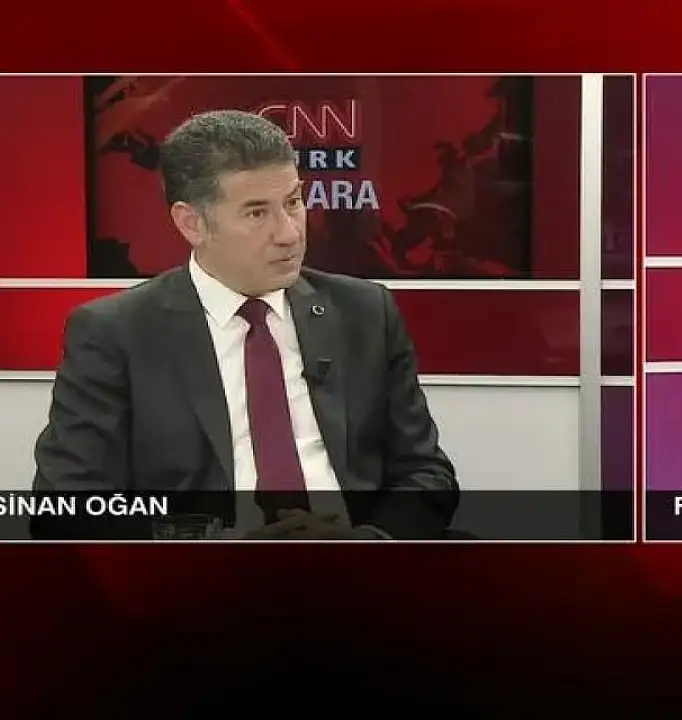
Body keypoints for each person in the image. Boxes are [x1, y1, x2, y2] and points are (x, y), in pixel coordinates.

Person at [31, 109, 461, 540]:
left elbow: (426, 473)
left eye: (293, 203)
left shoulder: (364, 312)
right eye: (257, 213)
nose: (289, 233)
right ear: (192, 223)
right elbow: (65, 508)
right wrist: (225, 549)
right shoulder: (114, 334)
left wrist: (364, 542)